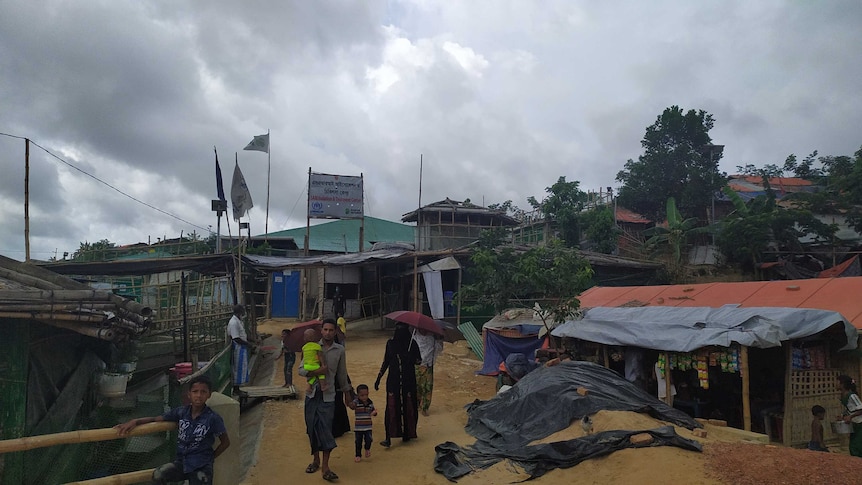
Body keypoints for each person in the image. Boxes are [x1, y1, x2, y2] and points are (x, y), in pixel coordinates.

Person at [115, 375, 230, 484]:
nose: (199, 395)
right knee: (158, 475)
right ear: (189, 394)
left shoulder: (213, 418)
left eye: (203, 392)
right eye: (195, 391)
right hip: (181, 463)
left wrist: (210, 458)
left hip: (201, 466)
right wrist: (135, 421)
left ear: (209, 395)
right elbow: (157, 418)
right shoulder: (181, 412)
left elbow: (225, 442)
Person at [300, 319, 353, 482]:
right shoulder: (312, 347)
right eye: (325, 330)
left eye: (331, 330)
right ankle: (315, 460)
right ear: (321, 331)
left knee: (326, 430)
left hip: (329, 395)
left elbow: (342, 374)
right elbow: (301, 370)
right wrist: (317, 371)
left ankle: (325, 467)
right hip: (312, 395)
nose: (328, 333)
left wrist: (347, 393)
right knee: (311, 428)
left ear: (336, 332)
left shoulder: (340, 351)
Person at [375, 322, 421, 447]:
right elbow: (386, 361)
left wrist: (410, 357)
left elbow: (418, 361)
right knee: (391, 407)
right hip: (395, 381)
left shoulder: (412, 344)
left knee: (407, 407)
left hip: (407, 381)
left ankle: (407, 433)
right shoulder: (391, 344)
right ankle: (388, 437)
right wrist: (379, 377)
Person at [412, 328, 442, 416]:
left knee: (427, 388)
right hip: (417, 366)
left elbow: (438, 349)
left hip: (428, 366)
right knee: (417, 387)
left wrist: (439, 340)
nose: (424, 330)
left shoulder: (432, 338)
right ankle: (416, 405)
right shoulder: (415, 338)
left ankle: (424, 407)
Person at [227, 304, 256, 389]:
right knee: (237, 368)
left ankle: (238, 387)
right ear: (239, 312)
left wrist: (251, 341)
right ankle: (236, 388)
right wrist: (249, 344)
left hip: (241, 347)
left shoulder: (238, 321)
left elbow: (242, 334)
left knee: (241, 367)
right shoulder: (234, 323)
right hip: (238, 347)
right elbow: (236, 338)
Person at [352, 383, 378, 462]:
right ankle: (358, 455)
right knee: (358, 442)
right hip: (358, 427)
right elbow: (352, 406)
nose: (364, 397)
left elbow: (374, 411)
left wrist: (374, 413)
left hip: (368, 426)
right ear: (358, 395)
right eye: (362, 395)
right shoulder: (356, 402)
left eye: (366, 395)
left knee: (369, 439)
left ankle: (367, 449)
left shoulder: (370, 402)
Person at [838, 374, 862, 456]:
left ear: (842, 384)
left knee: (857, 446)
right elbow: (850, 408)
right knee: (853, 446)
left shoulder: (852, 396)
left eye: (838, 382)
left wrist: (850, 417)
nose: (835, 383)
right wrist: (843, 415)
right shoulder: (843, 396)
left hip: (860, 424)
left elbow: (860, 409)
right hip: (855, 424)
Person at [302, 328, 328, 393]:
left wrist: (305, 363)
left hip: (306, 366)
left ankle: (309, 387)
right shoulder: (317, 346)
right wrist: (323, 365)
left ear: (305, 338)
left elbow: (302, 357)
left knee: (313, 377)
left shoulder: (304, 347)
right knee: (321, 373)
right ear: (315, 337)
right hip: (314, 365)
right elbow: (320, 356)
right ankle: (323, 386)